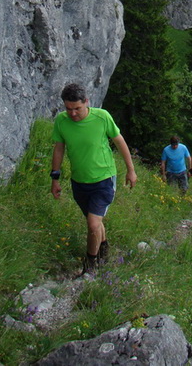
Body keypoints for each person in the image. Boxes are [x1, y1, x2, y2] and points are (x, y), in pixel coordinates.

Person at [50, 83, 137, 275]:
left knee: (93, 224)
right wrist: (55, 178)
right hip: (79, 181)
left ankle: (90, 266)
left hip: (104, 179)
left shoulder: (102, 117)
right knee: (93, 223)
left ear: (86, 102)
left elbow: (119, 141)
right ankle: (104, 249)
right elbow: (59, 148)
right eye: (68, 109)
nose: (73, 113)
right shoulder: (62, 121)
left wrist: (131, 170)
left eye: (77, 109)